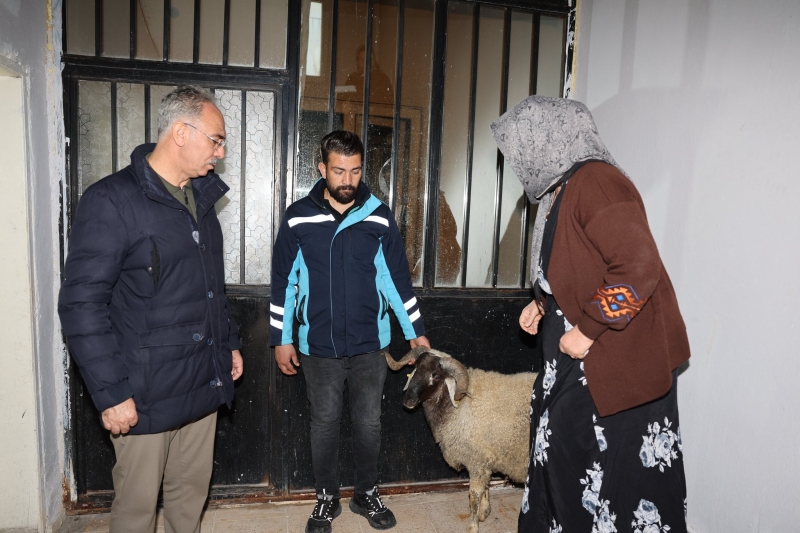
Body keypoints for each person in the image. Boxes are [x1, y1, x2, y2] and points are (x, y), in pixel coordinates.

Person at [491, 96, 691, 533]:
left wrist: (588, 329)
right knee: (561, 461)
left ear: (549, 139)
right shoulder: (560, 188)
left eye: (522, 147)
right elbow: (577, 263)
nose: (519, 160)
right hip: (574, 356)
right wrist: (541, 301)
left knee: (612, 480)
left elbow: (638, 266)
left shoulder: (596, 181)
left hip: (612, 359)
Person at [58, 86, 244, 533]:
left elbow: (209, 289)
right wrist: (111, 393)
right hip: (142, 393)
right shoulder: (111, 200)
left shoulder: (201, 201)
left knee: (188, 501)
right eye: (216, 140)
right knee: (138, 511)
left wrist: (230, 344)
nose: (220, 152)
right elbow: (81, 303)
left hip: (201, 381)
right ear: (181, 132)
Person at [270, 130, 429, 533]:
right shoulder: (298, 216)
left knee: (368, 423)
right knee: (323, 423)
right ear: (321, 168)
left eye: (355, 171)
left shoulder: (378, 214)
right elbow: (283, 283)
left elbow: (397, 281)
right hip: (317, 345)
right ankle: (326, 497)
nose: (347, 180)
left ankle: (365, 493)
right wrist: (282, 337)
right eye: (339, 171)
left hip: (369, 346)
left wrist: (416, 333)